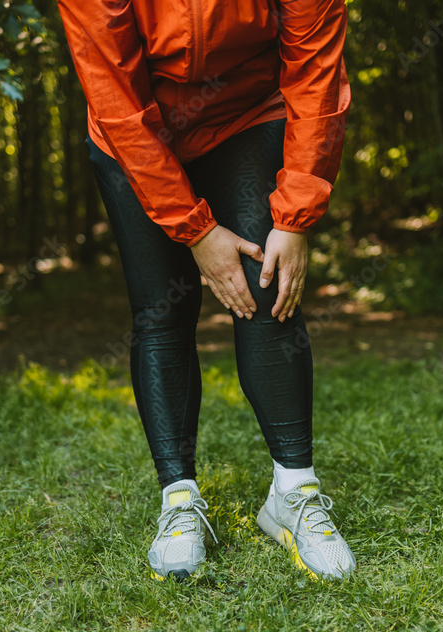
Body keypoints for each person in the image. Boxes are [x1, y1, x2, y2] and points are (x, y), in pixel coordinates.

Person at [55, 0, 355, 581]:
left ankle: (293, 495)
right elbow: (115, 98)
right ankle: (180, 501)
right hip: (136, 132)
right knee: (162, 311)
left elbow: (316, 70)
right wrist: (194, 229)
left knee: (266, 289)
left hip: (248, 112)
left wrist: (296, 215)